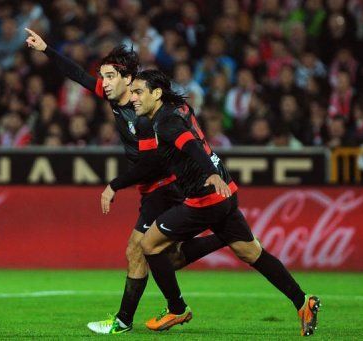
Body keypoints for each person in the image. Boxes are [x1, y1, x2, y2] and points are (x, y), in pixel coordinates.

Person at [25, 28, 226, 334]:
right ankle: (222, 242)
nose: (103, 84)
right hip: (152, 187)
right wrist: (46, 50)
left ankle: (124, 321)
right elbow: (78, 75)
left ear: (129, 79)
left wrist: (115, 184)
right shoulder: (116, 98)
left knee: (136, 249)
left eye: (109, 77)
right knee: (165, 256)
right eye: (102, 77)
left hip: (165, 185)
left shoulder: (146, 114)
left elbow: (156, 160)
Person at [129, 69, 320, 336]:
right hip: (226, 191)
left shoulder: (166, 123)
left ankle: (176, 308)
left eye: (139, 92)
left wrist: (209, 173)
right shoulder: (180, 108)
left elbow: (192, 146)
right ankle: (303, 302)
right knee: (250, 252)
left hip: (205, 197)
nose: (133, 97)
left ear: (157, 93)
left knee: (149, 244)